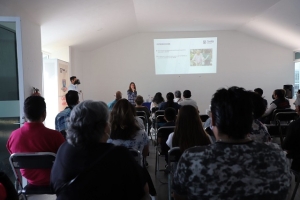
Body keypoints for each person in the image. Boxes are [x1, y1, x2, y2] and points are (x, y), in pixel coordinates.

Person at [172, 86, 291, 200]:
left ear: (212, 119)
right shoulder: (277, 155)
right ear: (251, 119)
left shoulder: (192, 158)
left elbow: (179, 196)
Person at [51, 101, 148, 199]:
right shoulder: (119, 155)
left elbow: (55, 185)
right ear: (106, 127)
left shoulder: (63, 150)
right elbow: (143, 190)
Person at [7, 96, 65, 186]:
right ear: (44, 114)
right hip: (54, 179)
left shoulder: (14, 136)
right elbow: (65, 157)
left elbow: (13, 156)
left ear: (25, 114)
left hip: (29, 178)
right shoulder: (55, 136)